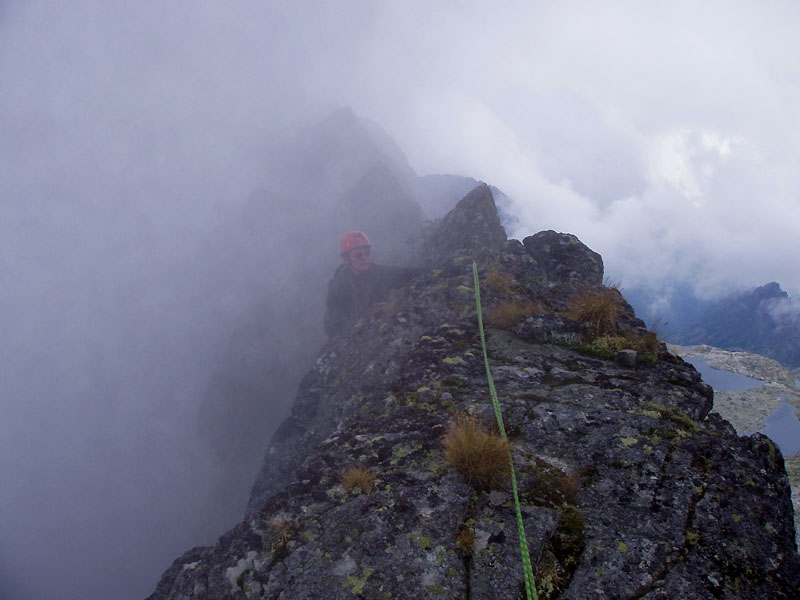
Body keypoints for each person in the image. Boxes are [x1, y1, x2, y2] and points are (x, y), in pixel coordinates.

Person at [324, 231, 418, 336]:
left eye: (367, 253)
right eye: (359, 255)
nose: (365, 258)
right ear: (347, 259)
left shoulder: (376, 272)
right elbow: (333, 326)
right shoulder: (339, 287)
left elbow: (402, 274)